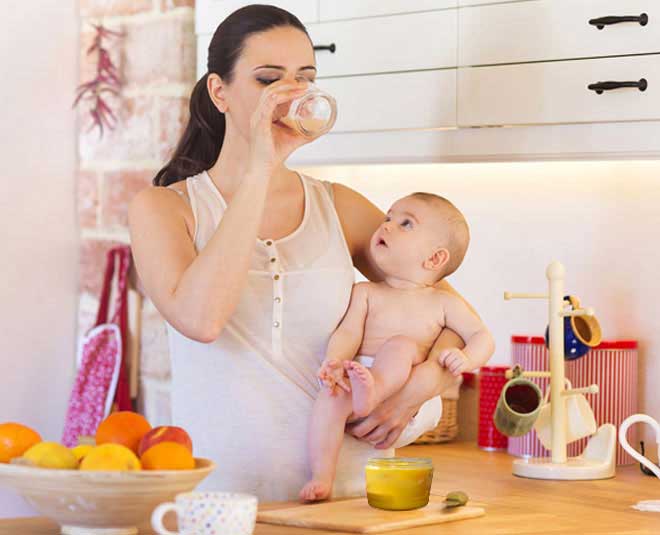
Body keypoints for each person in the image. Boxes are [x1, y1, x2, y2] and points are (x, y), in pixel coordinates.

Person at [128, 4, 479, 501]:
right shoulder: (164, 209)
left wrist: (421, 387)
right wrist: (259, 169)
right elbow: (202, 320)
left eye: (305, 78)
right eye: (269, 79)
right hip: (224, 503)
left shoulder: (337, 206)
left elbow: (448, 313)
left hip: (353, 500)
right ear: (220, 91)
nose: (290, 94)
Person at [300, 193, 495, 501]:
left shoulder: (443, 303)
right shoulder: (365, 292)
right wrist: (335, 360)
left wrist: (466, 358)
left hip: (398, 387)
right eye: (388, 218)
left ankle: (374, 389)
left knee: (401, 346)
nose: (387, 225)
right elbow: (348, 332)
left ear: (434, 259)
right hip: (358, 378)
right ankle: (321, 476)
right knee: (329, 400)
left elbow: (482, 336)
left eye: (406, 224)